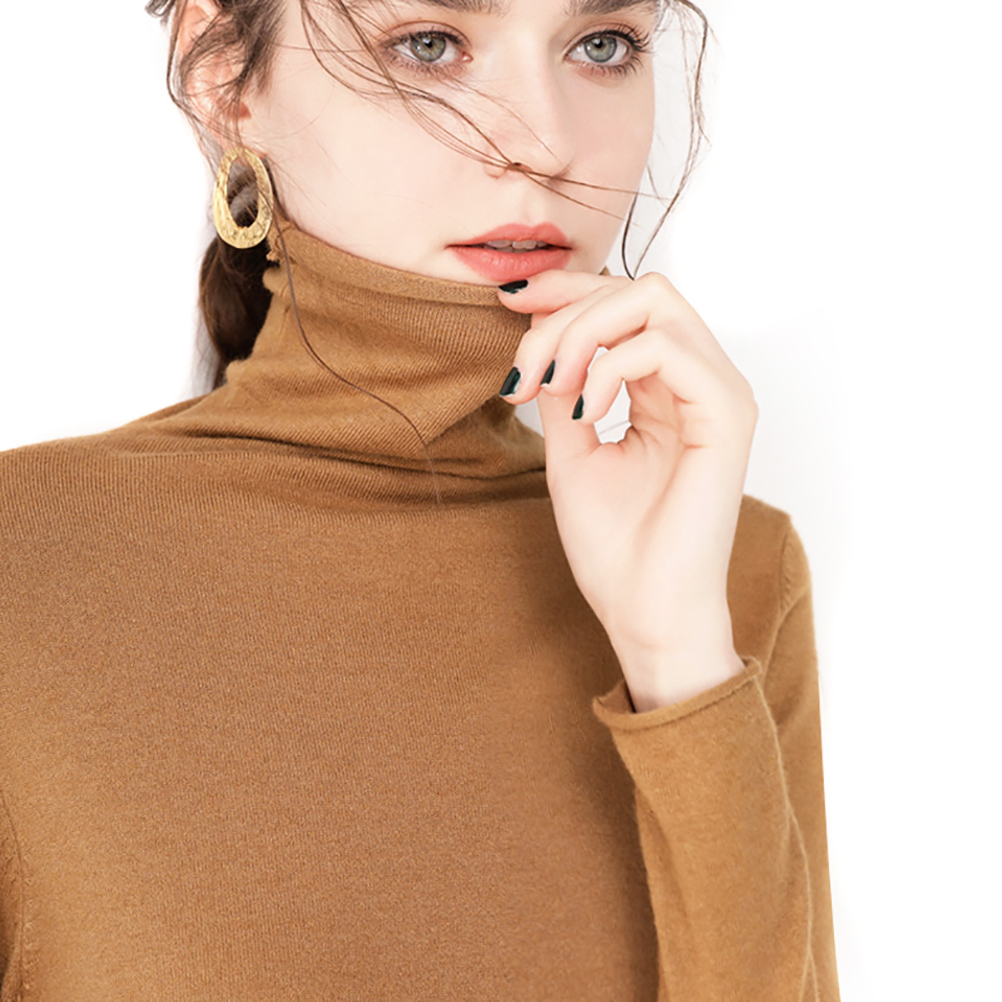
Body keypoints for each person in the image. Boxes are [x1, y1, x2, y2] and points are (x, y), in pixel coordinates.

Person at [0, 0, 840, 998]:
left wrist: (679, 666)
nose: (545, 145)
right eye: (431, 45)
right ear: (222, 71)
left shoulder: (723, 573)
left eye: (602, 45)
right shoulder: (26, 565)